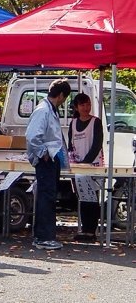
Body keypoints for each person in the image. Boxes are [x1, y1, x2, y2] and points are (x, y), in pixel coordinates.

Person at [26, 78, 72, 251]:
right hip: (46, 160)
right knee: (46, 197)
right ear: (60, 95)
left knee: (48, 197)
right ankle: (44, 237)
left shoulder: (49, 109)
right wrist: (43, 153)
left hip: (51, 158)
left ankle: (44, 235)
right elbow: (32, 136)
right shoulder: (43, 110)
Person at [68, 92, 103, 242]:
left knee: (93, 196)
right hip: (78, 166)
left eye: (88, 104)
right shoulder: (73, 123)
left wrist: (86, 162)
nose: (86, 107)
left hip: (93, 165)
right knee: (82, 196)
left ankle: (91, 230)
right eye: (82, 105)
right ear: (76, 107)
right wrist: (74, 160)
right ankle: (84, 229)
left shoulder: (96, 122)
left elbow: (97, 144)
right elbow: (70, 144)